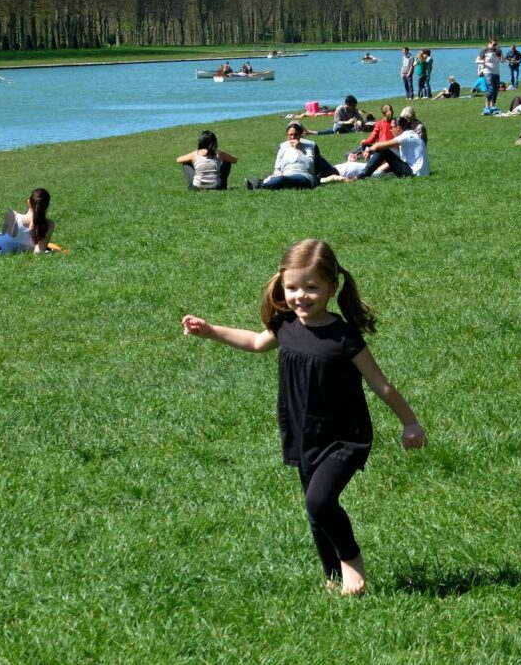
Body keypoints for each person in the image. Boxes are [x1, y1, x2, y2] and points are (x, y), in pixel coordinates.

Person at [181, 239, 427, 597]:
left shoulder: (343, 336)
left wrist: (410, 422)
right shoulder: (286, 326)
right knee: (315, 509)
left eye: (311, 287)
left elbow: (381, 384)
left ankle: (351, 562)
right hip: (302, 433)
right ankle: (332, 576)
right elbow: (254, 342)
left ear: (332, 287)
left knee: (319, 501)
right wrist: (211, 331)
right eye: (292, 287)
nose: (300, 296)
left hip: (345, 436)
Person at [247, 121, 320, 190]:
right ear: (287, 135)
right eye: (290, 135)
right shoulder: (283, 147)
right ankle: (259, 183)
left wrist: (297, 149)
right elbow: (277, 168)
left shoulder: (308, 146)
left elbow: (309, 164)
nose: (293, 137)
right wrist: (279, 174)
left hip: (304, 175)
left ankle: (259, 186)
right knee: (280, 178)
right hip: (286, 174)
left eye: (295, 134)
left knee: (282, 179)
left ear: (300, 135)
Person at [0, 188, 55, 254]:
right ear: (47, 206)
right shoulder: (49, 224)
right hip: (10, 248)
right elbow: (38, 251)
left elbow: (3, 233)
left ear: (29, 202)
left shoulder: (11, 214)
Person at [356, 116, 429, 179]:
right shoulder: (411, 134)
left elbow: (378, 146)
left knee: (383, 150)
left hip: (414, 174)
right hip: (421, 173)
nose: (390, 130)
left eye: (391, 127)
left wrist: (368, 150)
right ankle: (369, 174)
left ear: (398, 127)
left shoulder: (405, 136)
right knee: (385, 151)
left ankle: (361, 176)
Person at [475, 38, 502, 114]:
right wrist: (484, 61)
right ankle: (487, 107)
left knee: (496, 90)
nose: (495, 46)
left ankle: (493, 106)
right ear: (489, 43)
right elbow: (476, 61)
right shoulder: (484, 51)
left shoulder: (497, 51)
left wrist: (501, 53)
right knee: (491, 89)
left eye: (496, 44)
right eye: (494, 44)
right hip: (488, 72)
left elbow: (502, 61)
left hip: (496, 72)